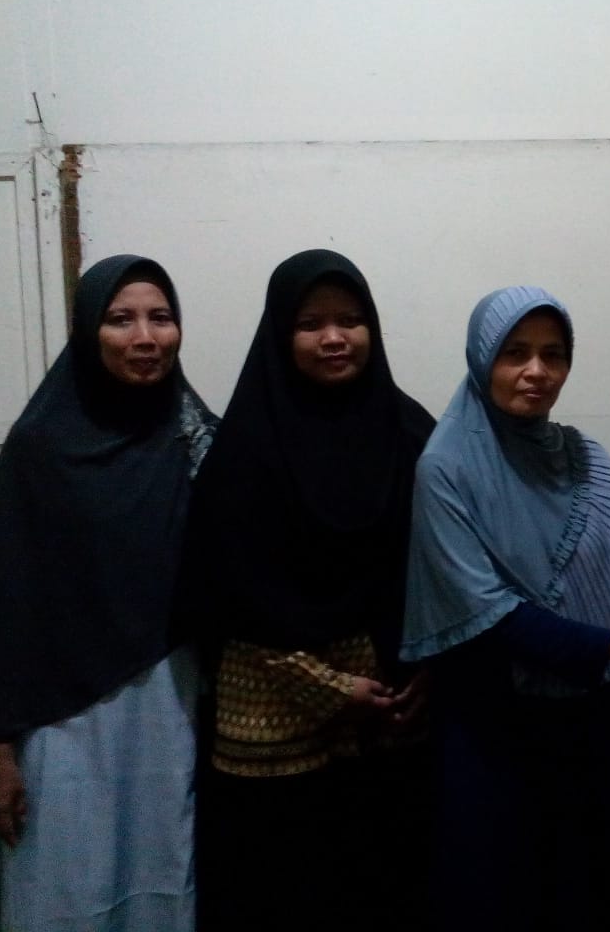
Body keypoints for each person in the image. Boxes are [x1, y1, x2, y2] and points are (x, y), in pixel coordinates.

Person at [400, 285, 610, 932]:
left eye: (554, 354)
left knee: (598, 894)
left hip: (592, 722)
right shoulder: (446, 468)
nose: (537, 371)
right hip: (497, 732)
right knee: (513, 900)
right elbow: (490, 620)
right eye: (515, 353)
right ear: (482, 358)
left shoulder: (581, 456)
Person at [0, 254, 217, 931]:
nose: (145, 337)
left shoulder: (195, 442)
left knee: (165, 871)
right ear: (87, 331)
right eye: (120, 319)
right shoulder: (40, 447)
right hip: (62, 717)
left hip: (171, 703)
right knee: (64, 878)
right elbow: (6, 602)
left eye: (161, 318)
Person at [183, 249, 435, 931]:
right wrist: (331, 687)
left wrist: (428, 670)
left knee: (386, 890)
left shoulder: (410, 434)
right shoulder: (244, 451)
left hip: (389, 718)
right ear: (279, 333)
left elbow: (448, 566)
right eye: (310, 323)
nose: (334, 337)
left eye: (350, 320)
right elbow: (226, 595)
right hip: (274, 720)